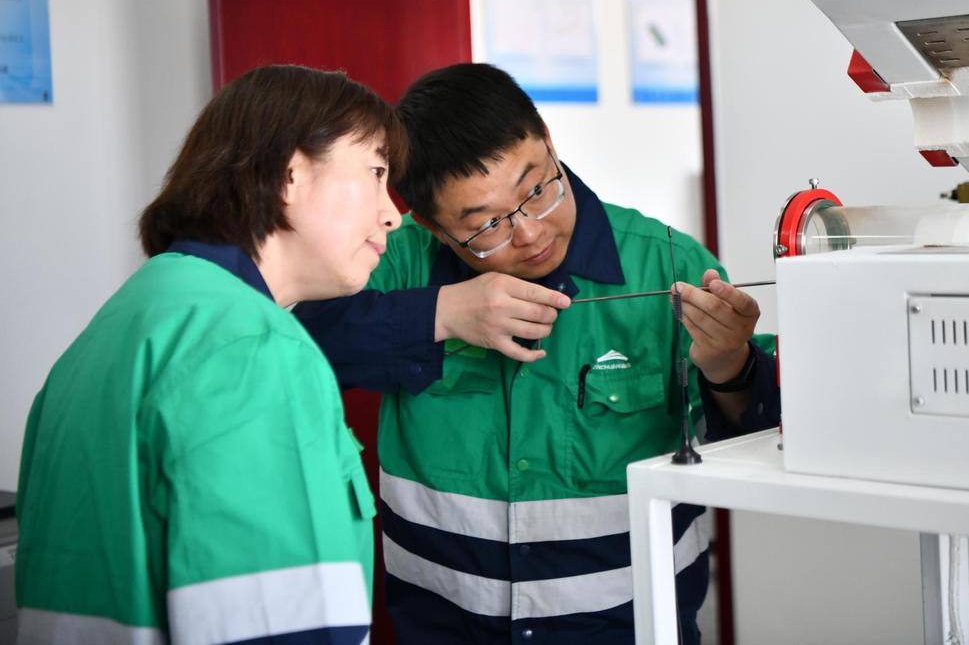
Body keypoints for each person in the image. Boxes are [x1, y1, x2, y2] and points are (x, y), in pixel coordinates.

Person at [297, 63, 780, 644]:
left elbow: (759, 447)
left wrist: (731, 364)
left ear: (549, 143)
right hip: (443, 627)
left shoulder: (668, 263)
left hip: (629, 628)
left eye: (536, 190)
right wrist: (442, 314)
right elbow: (291, 349)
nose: (528, 233)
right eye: (486, 226)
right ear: (432, 226)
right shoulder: (396, 265)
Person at [15, 65, 405, 644]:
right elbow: (280, 629)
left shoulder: (123, 323)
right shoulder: (254, 349)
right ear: (290, 174)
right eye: (375, 172)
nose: (392, 213)